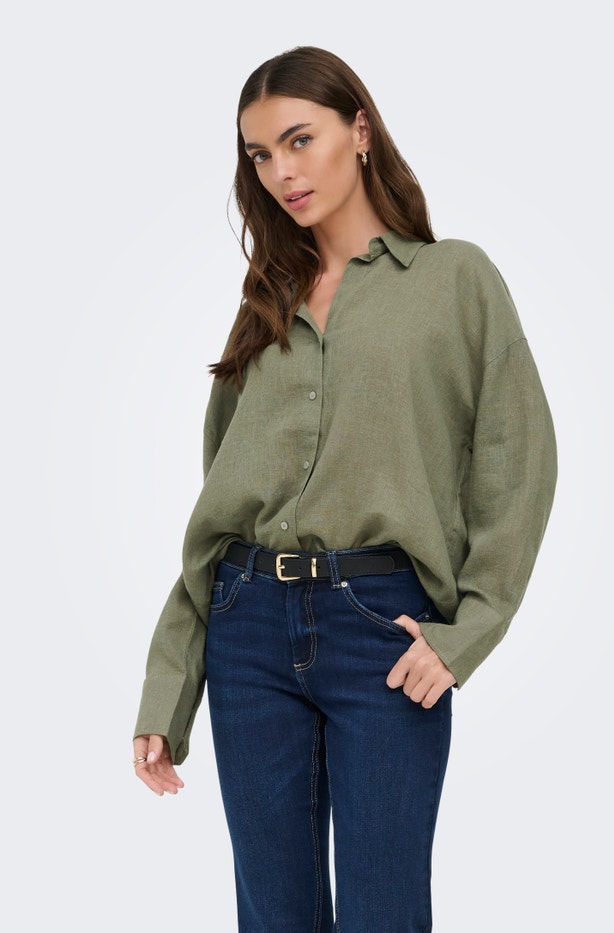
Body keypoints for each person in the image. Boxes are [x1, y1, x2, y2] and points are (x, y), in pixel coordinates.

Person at [133, 45, 557, 932]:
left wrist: (467, 632)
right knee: (273, 916)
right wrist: (169, 689)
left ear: (359, 131)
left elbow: (517, 463)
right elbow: (217, 517)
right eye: (260, 154)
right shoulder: (263, 306)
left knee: (383, 910)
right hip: (247, 630)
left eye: (300, 139)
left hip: (384, 634)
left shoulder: (455, 281)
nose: (281, 171)